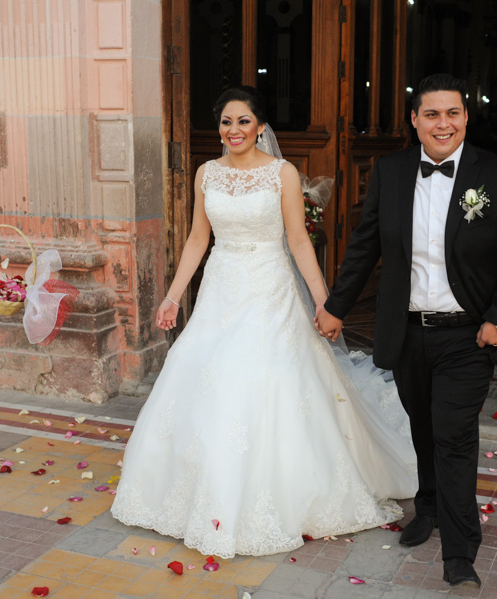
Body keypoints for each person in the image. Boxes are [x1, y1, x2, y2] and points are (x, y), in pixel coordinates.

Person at [110, 86, 417, 559]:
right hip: (221, 290)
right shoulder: (207, 173)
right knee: (207, 376)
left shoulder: (282, 173)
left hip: (270, 291)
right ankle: (199, 492)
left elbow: (298, 241)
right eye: (226, 122)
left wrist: (324, 303)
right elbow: (197, 239)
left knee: (262, 379)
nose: (234, 130)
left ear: (260, 127)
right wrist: (172, 296)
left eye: (243, 121)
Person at [316, 73, 497, 590]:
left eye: (452, 113)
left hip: (468, 335)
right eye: (432, 114)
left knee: (454, 436)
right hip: (408, 331)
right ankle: (430, 506)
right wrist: (335, 306)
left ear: (466, 118)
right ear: (414, 120)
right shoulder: (391, 171)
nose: (443, 124)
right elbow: (365, 245)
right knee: (422, 427)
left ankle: (460, 554)